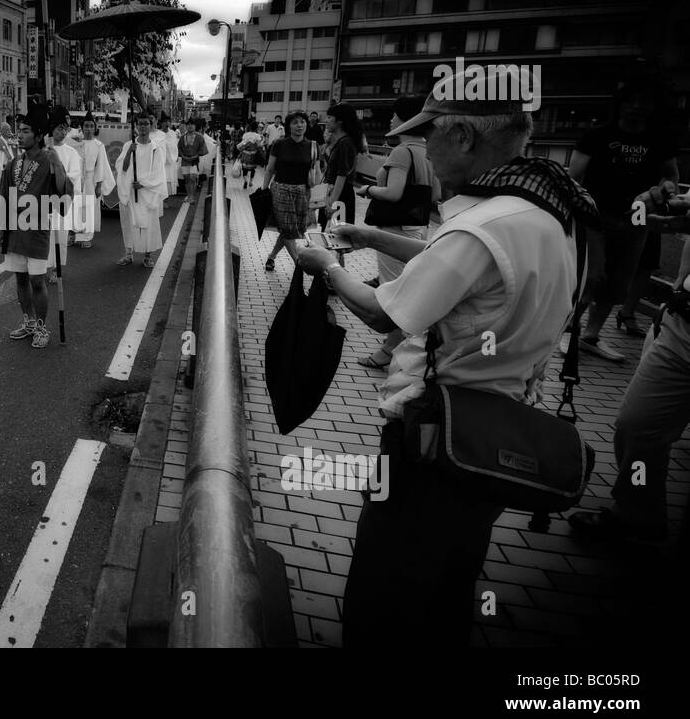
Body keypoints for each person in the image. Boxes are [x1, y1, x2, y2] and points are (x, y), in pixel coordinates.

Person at [294, 81, 598, 648]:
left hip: (431, 439)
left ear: (461, 135)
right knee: (447, 584)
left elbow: (386, 315)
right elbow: (454, 262)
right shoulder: (546, 216)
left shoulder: (481, 227)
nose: (420, 151)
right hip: (487, 436)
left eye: (429, 134)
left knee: (385, 595)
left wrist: (326, 269)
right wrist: (370, 234)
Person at [569, 196, 690, 543]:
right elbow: (666, 212)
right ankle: (637, 515)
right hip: (682, 325)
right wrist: (662, 208)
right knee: (638, 427)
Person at [563, 78, 679, 361]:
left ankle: (590, 336)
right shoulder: (597, 136)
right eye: (630, 101)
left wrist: (665, 189)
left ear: (653, 107)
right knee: (590, 277)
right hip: (595, 218)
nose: (636, 107)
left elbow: (671, 176)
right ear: (620, 104)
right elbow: (573, 178)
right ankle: (568, 331)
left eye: (644, 102)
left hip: (637, 220)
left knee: (618, 282)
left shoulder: (658, 140)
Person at [354, 95, 439, 369]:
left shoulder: (402, 151)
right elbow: (436, 194)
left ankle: (390, 349)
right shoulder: (430, 150)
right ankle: (403, 347)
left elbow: (393, 193)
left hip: (395, 229)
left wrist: (367, 190)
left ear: (405, 119)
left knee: (393, 291)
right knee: (408, 286)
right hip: (418, 227)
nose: (391, 120)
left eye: (394, 115)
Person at [0, 109, 70, 348]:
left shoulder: (48, 161)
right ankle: (28, 322)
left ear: (38, 136)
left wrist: (58, 166)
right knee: (20, 279)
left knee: (37, 281)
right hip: (14, 230)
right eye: (19, 131)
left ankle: (41, 326)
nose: (20, 135)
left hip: (37, 229)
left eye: (26, 131)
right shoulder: (12, 164)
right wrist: (2, 231)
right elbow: (2, 198)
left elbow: (63, 195)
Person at [258, 111, 317, 272]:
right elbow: (270, 168)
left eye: (302, 122)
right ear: (288, 126)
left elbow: (315, 172)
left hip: (303, 192)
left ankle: (271, 256)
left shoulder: (312, 146)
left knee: (290, 230)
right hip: (281, 190)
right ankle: (299, 263)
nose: (299, 125)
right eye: (295, 122)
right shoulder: (279, 144)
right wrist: (264, 190)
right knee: (287, 229)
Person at [114, 112, 168, 269]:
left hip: (147, 192)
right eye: (140, 124)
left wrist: (143, 184)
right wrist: (130, 152)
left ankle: (148, 255)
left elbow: (158, 173)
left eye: (146, 123)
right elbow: (122, 168)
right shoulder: (128, 145)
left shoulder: (155, 148)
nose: (143, 127)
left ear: (150, 126)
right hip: (130, 191)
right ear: (136, 126)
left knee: (148, 224)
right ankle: (128, 253)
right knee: (129, 223)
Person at [319, 103, 365, 228]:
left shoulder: (345, 143)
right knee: (330, 234)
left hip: (340, 196)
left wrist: (332, 203)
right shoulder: (343, 142)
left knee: (336, 238)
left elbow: (342, 175)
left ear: (340, 121)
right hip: (337, 193)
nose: (326, 121)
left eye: (329, 117)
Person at [47, 118, 83, 275]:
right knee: (43, 235)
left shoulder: (71, 152)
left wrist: (57, 171)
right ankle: (42, 267)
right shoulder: (42, 150)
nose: (62, 132)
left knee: (60, 234)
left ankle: (57, 268)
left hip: (62, 199)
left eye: (65, 129)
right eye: (59, 128)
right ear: (52, 128)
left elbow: (74, 176)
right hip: (42, 200)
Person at [73, 113, 114, 246]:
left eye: (91, 126)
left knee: (90, 208)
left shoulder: (98, 145)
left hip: (91, 179)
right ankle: (77, 234)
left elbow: (101, 165)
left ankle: (87, 237)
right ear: (82, 127)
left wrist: (99, 185)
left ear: (95, 128)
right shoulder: (76, 143)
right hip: (77, 179)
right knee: (77, 206)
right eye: (86, 126)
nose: (89, 129)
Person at [176, 118, 208, 204]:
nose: (190, 126)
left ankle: (192, 197)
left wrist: (196, 155)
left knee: (193, 178)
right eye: (188, 124)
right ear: (186, 126)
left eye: (192, 124)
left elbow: (203, 148)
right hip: (185, 160)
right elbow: (179, 149)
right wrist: (183, 156)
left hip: (194, 160)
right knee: (186, 179)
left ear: (195, 126)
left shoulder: (199, 136)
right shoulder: (183, 137)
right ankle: (189, 195)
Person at [154, 113, 180, 197]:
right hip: (162, 161)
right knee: (162, 179)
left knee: (169, 180)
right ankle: (162, 199)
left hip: (171, 161)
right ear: (161, 123)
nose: (167, 123)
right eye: (165, 121)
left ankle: (167, 198)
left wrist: (173, 155)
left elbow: (174, 145)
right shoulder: (158, 133)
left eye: (168, 121)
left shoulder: (172, 133)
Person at [0, 118, 17, 190]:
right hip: (2, 180)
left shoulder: (11, 143)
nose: (10, 132)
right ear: (2, 132)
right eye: (7, 130)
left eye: (10, 129)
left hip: (11, 178)